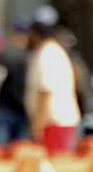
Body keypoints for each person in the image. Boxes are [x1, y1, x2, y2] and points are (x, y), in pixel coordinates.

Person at [26, 23, 80, 154]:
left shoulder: (47, 53)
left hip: (53, 121)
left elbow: (46, 90)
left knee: (55, 166)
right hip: (55, 121)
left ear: (36, 34)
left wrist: (38, 123)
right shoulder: (54, 51)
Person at [0, 20, 32, 145]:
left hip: (12, 109)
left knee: (3, 150)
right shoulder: (28, 55)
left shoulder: (27, 54)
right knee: (14, 149)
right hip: (12, 109)